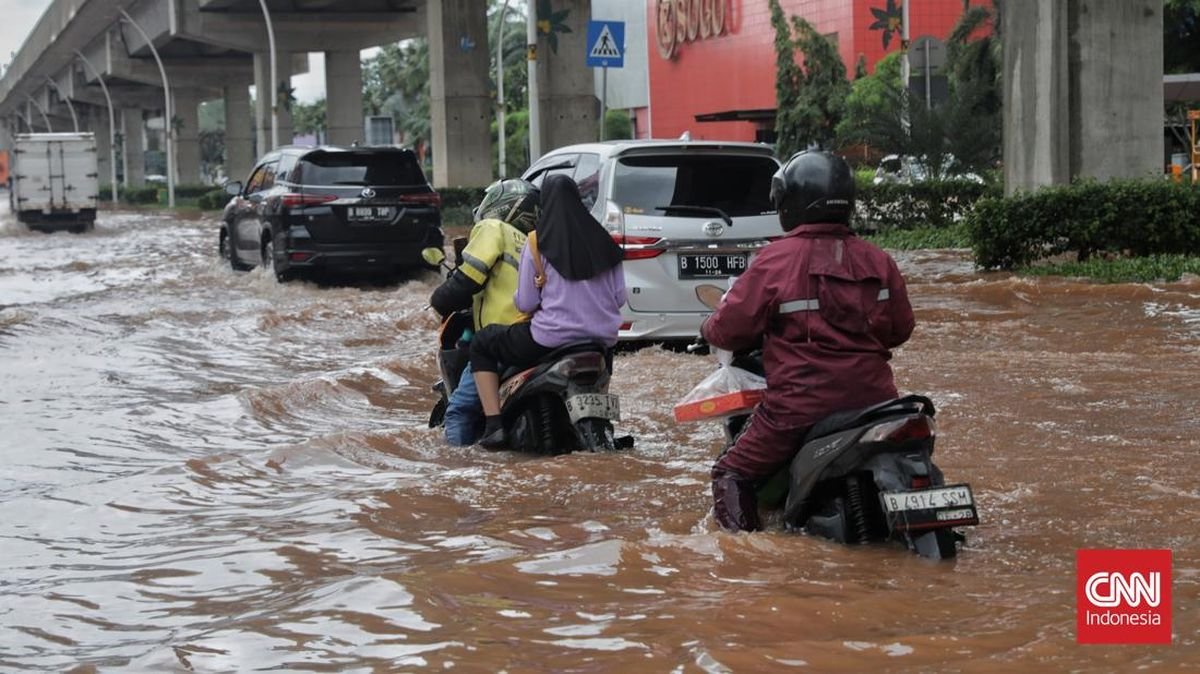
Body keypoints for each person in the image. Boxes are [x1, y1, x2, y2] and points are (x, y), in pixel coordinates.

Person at [701, 151, 915, 532]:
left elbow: (728, 330)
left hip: (798, 409)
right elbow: (900, 330)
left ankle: (746, 559)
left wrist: (708, 329)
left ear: (791, 202)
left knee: (731, 472)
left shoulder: (775, 261)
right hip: (879, 404)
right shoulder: (879, 260)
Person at [469, 174, 627, 449]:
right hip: (600, 342)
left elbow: (526, 303)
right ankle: (605, 425)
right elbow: (620, 298)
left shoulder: (537, 243)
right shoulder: (607, 244)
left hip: (549, 339)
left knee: (482, 344)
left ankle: (493, 425)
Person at [429, 179, 539, 445]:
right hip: (537, 336)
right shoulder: (531, 242)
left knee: (458, 412)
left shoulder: (492, 227)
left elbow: (468, 279)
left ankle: (456, 471)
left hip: (501, 339)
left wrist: (439, 300)